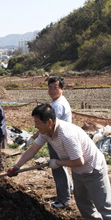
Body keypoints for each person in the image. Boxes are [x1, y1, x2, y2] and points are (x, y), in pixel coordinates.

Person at [7, 104, 111, 220]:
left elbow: (79, 161)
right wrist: (17, 166)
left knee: (105, 205)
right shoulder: (45, 132)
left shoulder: (66, 135)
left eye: (38, 123)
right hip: (78, 170)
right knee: (83, 202)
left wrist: (57, 163)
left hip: (93, 169)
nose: (35, 126)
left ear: (49, 122)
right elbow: (33, 150)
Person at [33, 76, 73, 208]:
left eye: (55, 88)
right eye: (50, 88)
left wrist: (35, 136)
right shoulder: (57, 102)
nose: (52, 90)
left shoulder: (58, 105)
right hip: (58, 138)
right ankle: (68, 190)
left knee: (58, 168)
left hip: (58, 139)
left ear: (62, 89)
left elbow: (49, 125)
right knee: (62, 167)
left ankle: (63, 200)